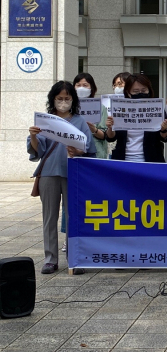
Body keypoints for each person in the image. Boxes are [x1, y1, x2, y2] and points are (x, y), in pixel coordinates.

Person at [28, 81, 96, 274]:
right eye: (60, 98)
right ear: (53, 99)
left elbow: (88, 148)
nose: (63, 102)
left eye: (67, 98)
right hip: (49, 172)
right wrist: (33, 136)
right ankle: (50, 259)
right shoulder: (45, 120)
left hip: (72, 172)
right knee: (49, 217)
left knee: (73, 216)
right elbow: (38, 150)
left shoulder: (79, 121)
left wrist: (77, 151)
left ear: (73, 100)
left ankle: (74, 258)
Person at [106, 73, 167, 162]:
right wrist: (110, 127)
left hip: (151, 160)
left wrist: (163, 129)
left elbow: (165, 138)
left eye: (144, 90)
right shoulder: (120, 109)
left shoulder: (156, 109)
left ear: (149, 90)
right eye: (136, 91)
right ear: (128, 92)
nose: (140, 93)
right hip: (123, 160)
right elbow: (111, 138)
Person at [73, 73, 109, 159]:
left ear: (92, 88)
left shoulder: (100, 108)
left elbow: (104, 135)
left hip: (96, 153)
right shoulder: (70, 107)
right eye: (78, 85)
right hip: (74, 152)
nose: (81, 88)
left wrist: (94, 130)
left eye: (85, 85)